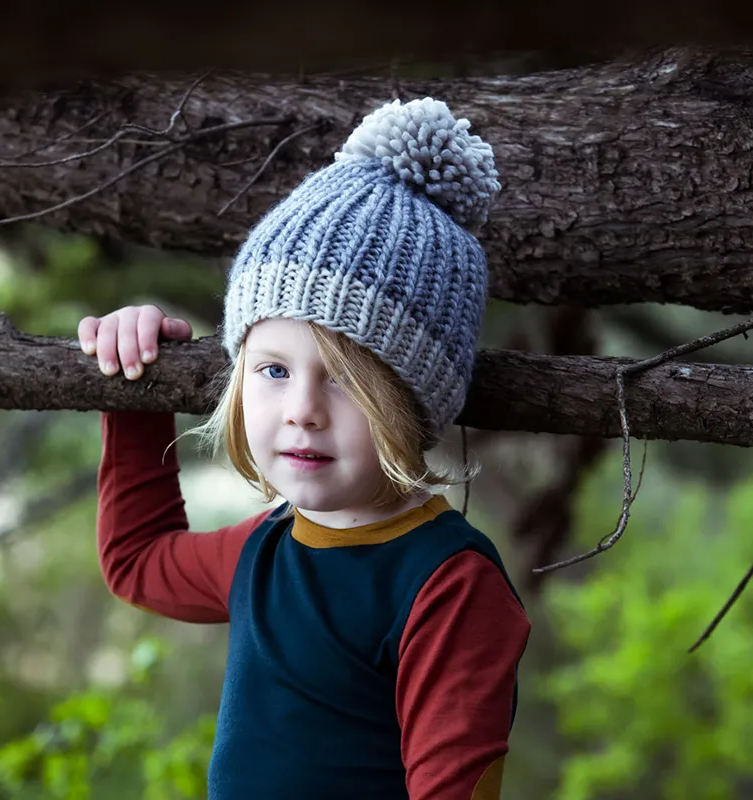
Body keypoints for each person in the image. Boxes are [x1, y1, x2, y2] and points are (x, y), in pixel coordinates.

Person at [78, 97, 531, 800]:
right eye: (274, 370)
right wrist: (131, 386)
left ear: (414, 400)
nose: (302, 414)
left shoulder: (446, 582)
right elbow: (138, 564)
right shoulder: (268, 547)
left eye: (347, 381)